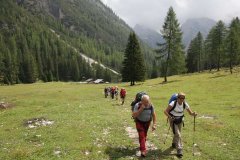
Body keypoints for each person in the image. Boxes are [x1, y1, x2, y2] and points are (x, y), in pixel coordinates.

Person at [164, 92, 197, 158]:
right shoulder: (173, 103)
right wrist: (170, 117)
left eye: (184, 98)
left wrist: (194, 114)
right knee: (178, 134)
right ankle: (179, 149)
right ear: (178, 98)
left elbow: (190, 113)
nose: (182, 99)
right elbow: (165, 111)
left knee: (177, 133)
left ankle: (174, 143)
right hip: (173, 120)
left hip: (180, 120)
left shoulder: (185, 103)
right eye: (181, 98)